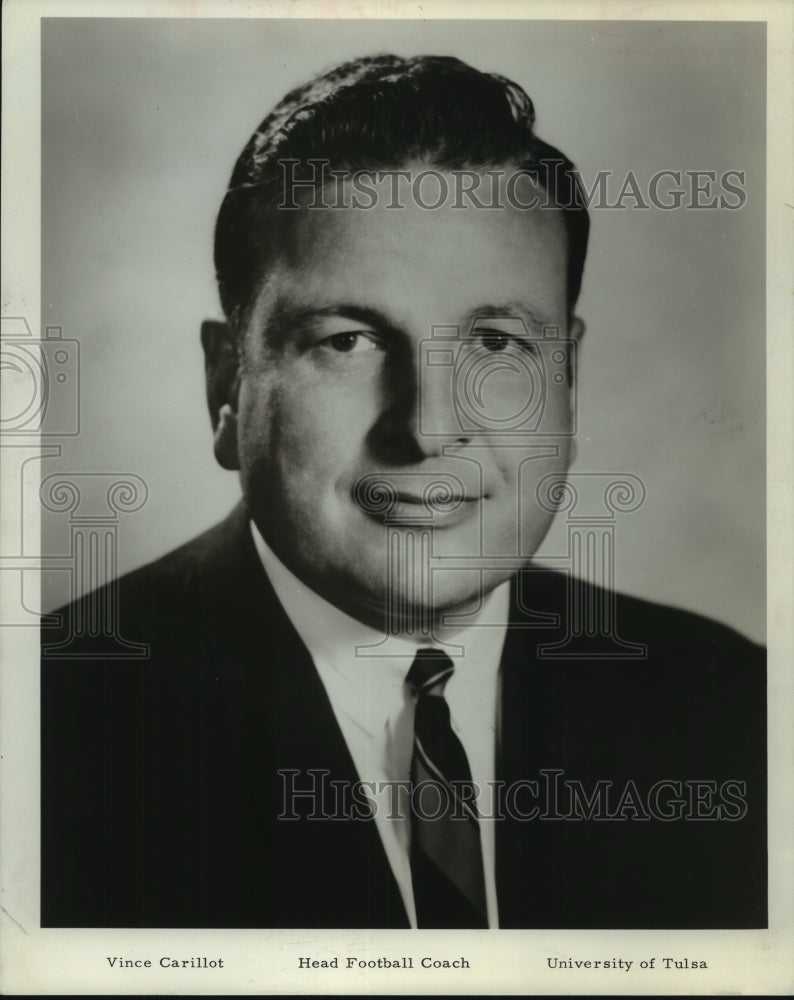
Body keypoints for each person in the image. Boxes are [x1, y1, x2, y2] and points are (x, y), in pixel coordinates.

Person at [41, 54, 765, 929]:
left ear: (567, 376)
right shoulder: (44, 734)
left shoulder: (736, 709)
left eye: (497, 345)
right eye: (348, 341)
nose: (428, 427)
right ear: (227, 388)